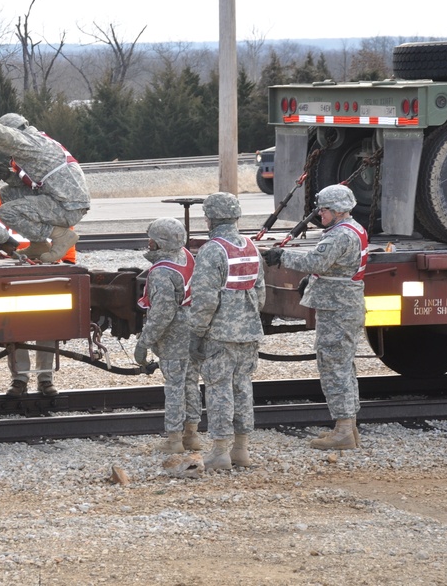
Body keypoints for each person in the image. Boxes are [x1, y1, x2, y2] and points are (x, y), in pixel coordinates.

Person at [261, 184, 366, 450]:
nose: (320, 214)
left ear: (339, 210)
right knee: (343, 366)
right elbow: (335, 268)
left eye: (325, 209)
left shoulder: (339, 235)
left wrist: (281, 256)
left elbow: (314, 262)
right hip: (344, 306)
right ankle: (348, 429)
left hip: (336, 309)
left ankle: (343, 431)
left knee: (334, 368)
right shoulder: (354, 229)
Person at [189, 192, 265, 470]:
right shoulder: (250, 245)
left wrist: (197, 332)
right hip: (249, 331)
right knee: (243, 387)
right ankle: (241, 450)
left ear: (211, 217)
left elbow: (205, 298)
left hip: (220, 333)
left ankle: (220, 452)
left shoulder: (212, 249)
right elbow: (260, 291)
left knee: (219, 389)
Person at [0, 190, 74, 397]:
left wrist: (66, 262)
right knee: (16, 325)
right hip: (14, 268)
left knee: (46, 324)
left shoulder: (49, 196)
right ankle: (21, 377)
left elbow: (64, 233)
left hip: (46, 267)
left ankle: (43, 378)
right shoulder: (0, 197)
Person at [0, 112, 91, 263]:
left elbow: (1, 134)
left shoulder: (32, 143)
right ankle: (39, 244)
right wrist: (8, 177)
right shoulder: (37, 143)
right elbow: (35, 182)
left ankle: (60, 235)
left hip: (67, 207)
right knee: (7, 194)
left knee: (7, 213)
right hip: (62, 199)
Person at [133, 217, 203, 453]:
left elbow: (162, 313)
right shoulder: (187, 256)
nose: (148, 242)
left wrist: (144, 342)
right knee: (191, 382)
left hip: (174, 336)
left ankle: (174, 440)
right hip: (193, 331)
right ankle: (192, 435)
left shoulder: (162, 271)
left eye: (151, 238)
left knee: (174, 386)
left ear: (159, 243)